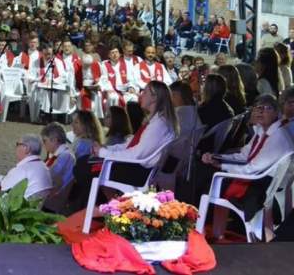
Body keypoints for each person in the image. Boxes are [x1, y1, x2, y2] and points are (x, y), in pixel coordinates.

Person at [199, 94, 294, 241]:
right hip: (258, 179)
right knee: (210, 171)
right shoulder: (263, 131)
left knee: (208, 177)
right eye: (258, 108)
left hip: (257, 187)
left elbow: (251, 168)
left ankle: (213, 232)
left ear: (277, 112)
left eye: (267, 108)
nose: (261, 112)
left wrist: (221, 166)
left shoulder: (277, 137)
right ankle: (218, 233)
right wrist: (217, 157)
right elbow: (244, 156)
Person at [91, 81, 178, 186]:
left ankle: (112, 201)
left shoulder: (159, 124)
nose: (141, 95)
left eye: (145, 92)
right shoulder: (156, 121)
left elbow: (136, 154)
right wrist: (106, 149)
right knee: (86, 164)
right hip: (136, 167)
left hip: (137, 172)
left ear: (154, 98)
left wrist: (103, 153)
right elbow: (130, 146)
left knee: (84, 168)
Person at [0, 134, 53, 200]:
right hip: (36, 207)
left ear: (27, 148)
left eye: (18, 144)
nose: (16, 147)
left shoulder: (22, 170)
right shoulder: (44, 167)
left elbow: (0, 191)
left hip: (21, 207)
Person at [40, 122, 76, 213]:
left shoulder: (65, 156)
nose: (44, 145)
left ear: (55, 140)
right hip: (51, 197)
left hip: (53, 202)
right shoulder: (59, 154)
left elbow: (50, 177)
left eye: (45, 141)